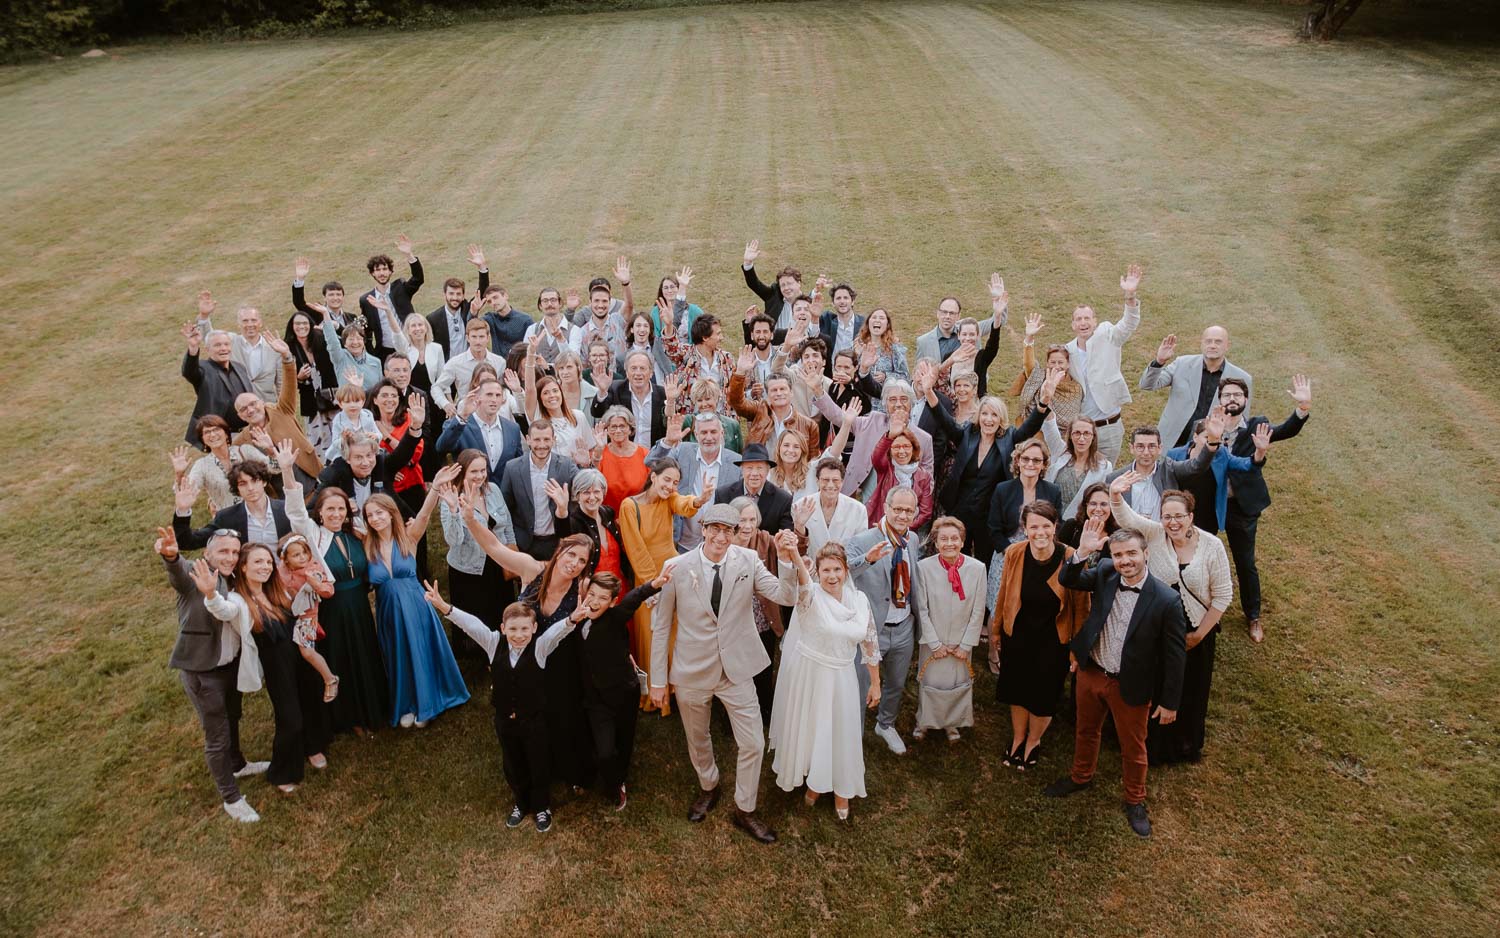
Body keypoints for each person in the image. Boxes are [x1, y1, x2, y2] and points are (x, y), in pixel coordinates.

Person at [649, 505, 800, 844]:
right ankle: (708, 785)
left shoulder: (747, 562)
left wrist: (788, 560)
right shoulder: (676, 567)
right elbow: (661, 628)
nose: (720, 537)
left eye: (727, 531)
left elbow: (785, 594)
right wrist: (657, 680)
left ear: (735, 534)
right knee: (697, 737)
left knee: (753, 743)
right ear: (702, 529)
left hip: (737, 670)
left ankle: (744, 808)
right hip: (691, 670)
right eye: (714, 529)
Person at [1045, 522, 1187, 839]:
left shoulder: (1166, 600)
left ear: (1145, 554)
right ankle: (1081, 777)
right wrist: (1082, 551)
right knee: (1085, 729)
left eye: (1131, 554)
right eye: (1119, 554)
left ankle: (1135, 800)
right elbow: (1068, 578)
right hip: (1092, 671)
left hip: (1130, 685)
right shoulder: (1107, 572)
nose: (1125, 560)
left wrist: (1170, 702)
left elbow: (1176, 657)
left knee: (1133, 746)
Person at [1109, 479, 1233, 765]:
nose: (1172, 522)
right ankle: (1149, 744)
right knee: (1155, 684)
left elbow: (1223, 595)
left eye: (1179, 516)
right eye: (1167, 516)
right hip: (1159, 627)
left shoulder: (1211, 546)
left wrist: (1199, 635)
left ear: (1191, 516)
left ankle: (1184, 745)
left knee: (1192, 688)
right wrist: (1116, 494)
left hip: (1196, 631)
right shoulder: (1154, 534)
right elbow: (1126, 516)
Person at [535, 567, 671, 811]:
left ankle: (618, 782)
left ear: (612, 603)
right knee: (604, 750)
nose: (595, 602)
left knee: (624, 740)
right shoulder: (577, 619)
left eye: (602, 598)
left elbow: (635, 597)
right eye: (593, 595)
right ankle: (597, 774)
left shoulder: (616, 617)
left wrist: (655, 584)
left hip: (622, 694)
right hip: (594, 700)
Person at [155, 526, 266, 822]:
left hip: (231, 667)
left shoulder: (235, 579)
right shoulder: (195, 572)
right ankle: (231, 798)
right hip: (203, 672)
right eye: (223, 551)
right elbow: (178, 571)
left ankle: (238, 763)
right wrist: (171, 555)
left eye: (234, 551)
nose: (229, 557)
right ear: (207, 553)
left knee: (233, 718)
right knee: (216, 735)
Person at [769, 543, 880, 819]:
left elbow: (870, 644)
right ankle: (813, 781)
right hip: (811, 675)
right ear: (817, 572)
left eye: (837, 569)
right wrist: (794, 553)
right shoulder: (810, 597)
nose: (832, 576)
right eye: (826, 570)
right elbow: (802, 581)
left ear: (846, 570)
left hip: (843, 677)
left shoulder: (860, 600)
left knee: (841, 731)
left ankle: (842, 789)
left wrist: (876, 683)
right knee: (813, 729)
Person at [427, 592, 555, 832]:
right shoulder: (493, 642)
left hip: (534, 721)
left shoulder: (540, 647)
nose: (519, 635)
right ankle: (521, 802)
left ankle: (541, 807)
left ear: (534, 628)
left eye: (525, 629)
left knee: (538, 762)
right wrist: (444, 607)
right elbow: (470, 624)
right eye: (513, 629)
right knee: (512, 762)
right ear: (503, 628)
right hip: (505, 720)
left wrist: (573, 620)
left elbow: (558, 632)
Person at [359, 468, 468, 728]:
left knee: (420, 650)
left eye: (380, 513)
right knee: (398, 654)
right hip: (388, 610)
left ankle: (428, 704)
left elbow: (424, 514)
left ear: (391, 513)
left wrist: (434, 488)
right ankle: (406, 703)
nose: (375, 519)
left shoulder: (409, 536)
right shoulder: (365, 544)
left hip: (416, 605)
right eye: (370, 515)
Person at [921, 364, 1054, 575]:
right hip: (959, 510)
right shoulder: (966, 435)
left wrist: (1044, 401)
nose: (989, 419)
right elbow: (944, 420)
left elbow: (1030, 426)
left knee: (983, 563)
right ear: (978, 416)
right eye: (985, 414)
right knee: (956, 560)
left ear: (1001, 419)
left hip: (988, 516)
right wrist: (928, 391)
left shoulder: (1009, 438)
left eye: (994, 415)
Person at [284, 468, 388, 737]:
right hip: (334, 608)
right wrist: (286, 469)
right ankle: (350, 717)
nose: (335, 515)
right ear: (319, 512)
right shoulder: (314, 535)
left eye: (340, 509)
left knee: (365, 654)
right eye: (330, 509)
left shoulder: (356, 533)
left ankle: (375, 709)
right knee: (342, 657)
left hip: (360, 606)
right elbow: (295, 511)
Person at [200, 542, 309, 793]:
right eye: (258, 562)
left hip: (297, 659)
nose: (265, 566)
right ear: (244, 567)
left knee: (304, 710)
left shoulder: (273, 591)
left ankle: (303, 753)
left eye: (268, 562)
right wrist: (210, 595)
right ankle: (281, 774)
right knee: (290, 719)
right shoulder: (239, 599)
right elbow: (224, 611)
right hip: (276, 668)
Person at [990, 501, 1089, 769]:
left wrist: (1077, 648)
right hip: (1019, 634)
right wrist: (996, 630)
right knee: (1017, 689)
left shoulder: (1071, 556)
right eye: (1034, 526)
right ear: (1025, 528)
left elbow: (1081, 608)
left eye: (1046, 526)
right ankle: (1018, 738)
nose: (1040, 532)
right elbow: (1004, 594)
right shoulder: (1014, 552)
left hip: (1054, 639)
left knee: (1043, 695)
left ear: (1055, 527)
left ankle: (1034, 741)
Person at [1218, 375, 1312, 643]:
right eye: (1227, 395)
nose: (1232, 399)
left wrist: (1302, 408)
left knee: (1245, 563)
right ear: (1220, 400)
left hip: (1243, 506)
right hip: (1213, 503)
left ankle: (1253, 615)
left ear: (1245, 400)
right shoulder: (1209, 424)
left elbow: (1286, 430)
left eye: (1237, 395)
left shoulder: (1257, 426)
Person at [619, 457, 710, 712]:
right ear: (653, 476)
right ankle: (654, 694)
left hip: (672, 572)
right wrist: (652, 585)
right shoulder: (629, 506)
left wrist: (699, 500)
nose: (670, 486)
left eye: (675, 482)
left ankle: (676, 688)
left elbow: (684, 504)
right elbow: (635, 550)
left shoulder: (670, 498)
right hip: (647, 576)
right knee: (652, 635)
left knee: (675, 634)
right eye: (666, 479)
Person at [845, 487, 923, 755]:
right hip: (871, 629)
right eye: (897, 509)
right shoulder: (863, 539)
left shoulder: (912, 540)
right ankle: (853, 734)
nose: (902, 515)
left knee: (897, 682)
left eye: (908, 510)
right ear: (886, 507)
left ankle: (885, 723)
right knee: (862, 684)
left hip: (903, 626)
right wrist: (867, 559)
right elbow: (844, 570)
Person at [911, 517, 987, 742]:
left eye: (955, 538)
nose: (949, 543)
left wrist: (966, 644)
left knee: (957, 682)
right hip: (934, 638)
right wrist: (934, 643)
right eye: (943, 539)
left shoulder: (977, 569)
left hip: (961, 639)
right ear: (936, 543)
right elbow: (922, 609)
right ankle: (924, 720)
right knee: (931, 681)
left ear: (963, 541)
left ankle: (952, 723)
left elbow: (977, 610)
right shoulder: (924, 568)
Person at [1063, 264, 1143, 463]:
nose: (1083, 323)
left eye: (1087, 318)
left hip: (1110, 427)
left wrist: (1130, 296)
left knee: (1104, 480)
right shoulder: (1067, 351)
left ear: (1095, 321)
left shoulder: (1107, 334)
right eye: (1078, 319)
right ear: (1073, 325)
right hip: (1082, 431)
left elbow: (1128, 324)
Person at [438, 449, 517, 632]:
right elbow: (453, 540)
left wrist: (513, 555)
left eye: (483, 470)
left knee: (500, 611)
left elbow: (507, 527)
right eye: (474, 471)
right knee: (476, 619)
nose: (480, 475)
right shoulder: (451, 499)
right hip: (469, 569)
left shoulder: (494, 490)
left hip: (498, 561)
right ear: (462, 472)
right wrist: (454, 511)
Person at [815, 377, 934, 498]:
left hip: (900, 504)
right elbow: (838, 417)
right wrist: (818, 390)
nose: (898, 404)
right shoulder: (872, 421)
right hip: (859, 495)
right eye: (892, 400)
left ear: (911, 403)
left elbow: (928, 483)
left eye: (904, 399)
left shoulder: (924, 439)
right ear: (885, 404)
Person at [1142, 326, 1252, 448]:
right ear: (1202, 344)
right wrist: (1159, 361)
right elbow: (1147, 385)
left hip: (1210, 446)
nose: (1212, 345)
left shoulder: (1242, 378)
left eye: (1218, 342)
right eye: (1208, 341)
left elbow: (1242, 420)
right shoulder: (1181, 364)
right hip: (1172, 441)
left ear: (1227, 345)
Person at [728, 497, 786, 727]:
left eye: (752, 519)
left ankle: (765, 711)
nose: (748, 525)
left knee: (763, 667)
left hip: (763, 619)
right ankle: (733, 716)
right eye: (742, 520)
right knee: (737, 671)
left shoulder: (764, 540)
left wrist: (799, 530)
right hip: (735, 621)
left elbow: (790, 551)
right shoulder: (725, 544)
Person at [987, 438, 1063, 609]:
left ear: (1044, 465)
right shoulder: (1003, 489)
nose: (1030, 464)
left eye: (1036, 460)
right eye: (1026, 458)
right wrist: (1011, 552)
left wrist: (1041, 551)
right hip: (1007, 554)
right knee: (998, 605)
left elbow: (1058, 525)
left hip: (1041, 554)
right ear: (1017, 461)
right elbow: (994, 528)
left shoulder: (1053, 491)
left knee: (1030, 607)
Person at [650, 411, 742, 551]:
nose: (709, 437)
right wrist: (668, 442)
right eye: (704, 432)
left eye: (713, 432)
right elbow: (651, 463)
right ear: (696, 435)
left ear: (722, 433)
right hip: (682, 544)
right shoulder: (682, 451)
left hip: (719, 546)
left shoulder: (737, 463)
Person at [230, 353, 322, 490]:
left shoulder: (282, 410)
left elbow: (289, 384)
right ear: (240, 416)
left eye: (253, 404)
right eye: (243, 409)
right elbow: (235, 474)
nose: (250, 410)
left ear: (262, 402)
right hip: (283, 498)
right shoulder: (241, 442)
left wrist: (287, 358)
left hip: (313, 480)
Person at [1105, 419, 1220, 522]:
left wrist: (1212, 442)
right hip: (1129, 539)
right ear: (1131, 448)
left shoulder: (1170, 469)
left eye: (1151, 446)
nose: (1146, 452)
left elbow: (1197, 466)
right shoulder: (1115, 478)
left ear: (1160, 448)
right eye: (1140, 446)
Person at [500, 421, 578, 561]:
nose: (542, 445)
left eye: (547, 439)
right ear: (528, 439)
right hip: (525, 544)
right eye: (537, 439)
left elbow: (585, 487)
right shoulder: (512, 468)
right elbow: (505, 508)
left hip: (556, 542)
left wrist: (589, 464)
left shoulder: (566, 465)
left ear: (554, 440)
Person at [173, 460, 290, 550]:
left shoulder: (287, 509)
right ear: (237, 489)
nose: (250, 488)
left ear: (264, 482)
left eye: (255, 481)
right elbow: (188, 542)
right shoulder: (227, 518)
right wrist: (183, 510)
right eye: (243, 483)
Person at [169, 416, 271, 514]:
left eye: (216, 429)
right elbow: (187, 492)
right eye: (207, 432)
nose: (212, 435)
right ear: (203, 439)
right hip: (231, 521)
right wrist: (179, 474)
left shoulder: (245, 451)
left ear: (226, 433)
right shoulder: (202, 465)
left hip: (263, 512)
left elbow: (275, 468)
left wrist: (270, 449)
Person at [192, 293, 283, 402]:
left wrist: (284, 410)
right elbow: (210, 336)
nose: (250, 324)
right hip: (238, 407)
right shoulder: (230, 341)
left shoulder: (274, 348)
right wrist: (204, 316)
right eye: (245, 321)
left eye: (253, 320)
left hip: (267, 407)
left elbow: (281, 383)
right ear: (238, 324)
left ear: (260, 323)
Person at [435, 376, 524, 485]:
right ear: (477, 398)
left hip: (503, 497)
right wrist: (463, 416)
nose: (494, 399)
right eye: (489, 394)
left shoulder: (513, 428)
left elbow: (518, 465)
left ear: (502, 400)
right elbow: (442, 447)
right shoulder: (460, 424)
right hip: (469, 494)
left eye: (498, 395)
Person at [181, 319, 253, 448]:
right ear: (207, 349)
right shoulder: (203, 368)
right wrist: (193, 347)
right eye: (218, 345)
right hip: (222, 437)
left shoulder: (239, 367)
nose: (223, 348)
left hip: (249, 432)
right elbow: (189, 371)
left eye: (226, 344)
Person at [729, 356, 821, 457]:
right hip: (762, 470)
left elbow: (813, 461)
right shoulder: (759, 411)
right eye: (774, 390)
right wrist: (740, 372)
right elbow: (737, 403)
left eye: (782, 389)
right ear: (767, 395)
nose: (779, 393)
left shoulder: (809, 425)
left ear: (791, 392)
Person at [1009, 313, 1084, 430]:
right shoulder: (1038, 376)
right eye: (1053, 362)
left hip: (1064, 439)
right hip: (1035, 433)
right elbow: (1028, 362)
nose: (1056, 366)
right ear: (1047, 363)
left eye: (1060, 362)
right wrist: (1029, 337)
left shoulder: (1076, 388)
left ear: (1068, 364)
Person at [521, 348, 590, 466]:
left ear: (561, 393)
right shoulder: (538, 417)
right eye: (546, 393)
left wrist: (586, 463)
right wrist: (531, 353)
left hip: (574, 473)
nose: (552, 395)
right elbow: (530, 389)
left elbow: (590, 450)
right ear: (540, 398)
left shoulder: (578, 416)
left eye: (555, 391)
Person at [358, 237, 423, 358]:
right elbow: (367, 332)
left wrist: (409, 255)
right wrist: (372, 353)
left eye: (385, 269)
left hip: (410, 345)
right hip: (385, 352)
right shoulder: (366, 300)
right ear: (372, 273)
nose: (382, 273)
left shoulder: (401, 288)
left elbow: (418, 278)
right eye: (377, 270)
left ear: (390, 272)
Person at [421, 245, 489, 358]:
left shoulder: (468, 309)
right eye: (451, 294)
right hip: (446, 366)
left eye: (458, 294)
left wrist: (482, 267)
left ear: (463, 296)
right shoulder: (433, 318)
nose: (455, 297)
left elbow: (482, 293)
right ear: (445, 295)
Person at [662, 313, 735, 416]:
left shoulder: (727, 359)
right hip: (692, 423)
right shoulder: (686, 354)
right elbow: (671, 348)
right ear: (705, 337)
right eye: (718, 334)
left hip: (720, 423)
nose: (721, 338)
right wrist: (669, 325)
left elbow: (733, 394)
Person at [1041, 413, 1112, 518]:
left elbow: (1104, 499)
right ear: (1070, 435)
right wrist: (1045, 401)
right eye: (1077, 433)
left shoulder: (1104, 466)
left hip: (1081, 521)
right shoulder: (1060, 451)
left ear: (1093, 437)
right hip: (1050, 517)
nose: (1081, 438)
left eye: (1087, 433)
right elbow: (1049, 425)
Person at [792, 458, 867, 557]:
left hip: (845, 569)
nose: (830, 485)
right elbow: (796, 549)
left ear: (842, 482)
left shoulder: (858, 510)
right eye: (825, 480)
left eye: (835, 480)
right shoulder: (801, 506)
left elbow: (860, 549)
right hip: (810, 569)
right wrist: (799, 526)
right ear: (817, 481)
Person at [431, 317, 507, 415]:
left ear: (488, 338)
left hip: (491, 415)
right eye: (474, 337)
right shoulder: (456, 363)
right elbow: (436, 387)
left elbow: (503, 390)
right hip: (466, 414)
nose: (478, 341)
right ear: (467, 338)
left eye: (481, 337)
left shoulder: (499, 362)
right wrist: (445, 404)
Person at [713, 443, 794, 535]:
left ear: (767, 471)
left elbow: (785, 537)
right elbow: (715, 529)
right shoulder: (723, 495)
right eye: (749, 468)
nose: (754, 473)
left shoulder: (783, 499)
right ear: (742, 469)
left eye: (760, 468)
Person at [592, 350, 668, 446]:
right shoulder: (615, 389)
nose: (638, 373)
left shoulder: (662, 393)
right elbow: (597, 412)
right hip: (623, 455)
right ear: (627, 373)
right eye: (633, 368)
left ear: (651, 373)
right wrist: (602, 392)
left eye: (642, 368)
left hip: (653, 456)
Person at [868, 427, 935, 531]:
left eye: (906, 446)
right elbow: (876, 457)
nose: (901, 451)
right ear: (890, 451)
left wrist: (903, 527)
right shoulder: (886, 468)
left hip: (907, 532)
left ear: (913, 449)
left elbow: (925, 512)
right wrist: (889, 436)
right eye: (896, 447)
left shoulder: (924, 476)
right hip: (880, 527)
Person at [913, 285, 998, 364]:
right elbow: (918, 372)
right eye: (944, 312)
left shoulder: (971, 329)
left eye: (952, 313)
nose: (947, 316)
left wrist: (998, 301)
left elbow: (997, 322)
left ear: (958, 316)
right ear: (938, 313)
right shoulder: (923, 342)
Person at [596, 405, 651, 517]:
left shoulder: (644, 454)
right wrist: (598, 451)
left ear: (630, 429)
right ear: (606, 430)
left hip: (638, 517)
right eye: (613, 427)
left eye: (622, 426)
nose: (618, 430)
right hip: (607, 519)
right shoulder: (599, 454)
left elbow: (651, 489)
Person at [740, 239, 802, 336]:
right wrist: (748, 263)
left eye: (789, 283)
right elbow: (754, 284)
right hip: (773, 348)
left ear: (799, 283)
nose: (786, 288)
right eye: (783, 285)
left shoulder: (808, 304)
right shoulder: (773, 297)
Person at [854, 307, 909, 401]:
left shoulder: (895, 349)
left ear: (887, 325)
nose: (877, 320)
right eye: (874, 317)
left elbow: (905, 377)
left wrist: (886, 376)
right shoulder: (857, 346)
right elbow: (850, 373)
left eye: (882, 318)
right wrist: (858, 356)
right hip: (861, 402)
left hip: (885, 402)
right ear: (868, 323)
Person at [321, 311, 383, 390]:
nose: (355, 342)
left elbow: (379, 389)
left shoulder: (376, 362)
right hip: (348, 401)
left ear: (364, 341)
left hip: (370, 401)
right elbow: (332, 342)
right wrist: (326, 314)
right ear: (345, 343)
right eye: (351, 339)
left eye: (358, 338)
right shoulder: (341, 358)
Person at [816, 282, 865, 375]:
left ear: (852, 301)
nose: (842, 301)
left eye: (846, 298)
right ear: (833, 303)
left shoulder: (864, 323)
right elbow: (811, 320)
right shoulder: (826, 320)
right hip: (831, 374)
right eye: (838, 298)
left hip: (855, 374)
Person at [323, 383, 378, 465]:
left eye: (356, 401)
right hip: (343, 454)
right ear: (341, 404)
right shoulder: (338, 419)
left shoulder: (367, 415)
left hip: (365, 451)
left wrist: (374, 436)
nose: (352, 405)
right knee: (341, 465)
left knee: (379, 458)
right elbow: (335, 442)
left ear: (363, 402)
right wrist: (344, 439)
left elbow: (378, 434)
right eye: (347, 402)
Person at [1057, 482, 1116, 556]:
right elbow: (1057, 556)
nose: (1098, 509)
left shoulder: (1117, 532)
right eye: (1093, 503)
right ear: (1086, 505)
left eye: (1103, 504)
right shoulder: (1072, 526)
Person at [479, 283, 534, 360]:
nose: (493, 303)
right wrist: (475, 311)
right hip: (498, 366)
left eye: (495, 297)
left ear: (505, 296)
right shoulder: (490, 318)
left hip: (519, 365)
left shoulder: (525, 320)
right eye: (489, 301)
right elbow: (473, 327)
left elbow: (533, 346)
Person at [767, 428, 818, 500]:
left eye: (796, 447)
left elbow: (832, 455)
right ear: (779, 448)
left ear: (802, 451)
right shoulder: (768, 475)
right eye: (786, 445)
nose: (791, 450)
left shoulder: (812, 471)